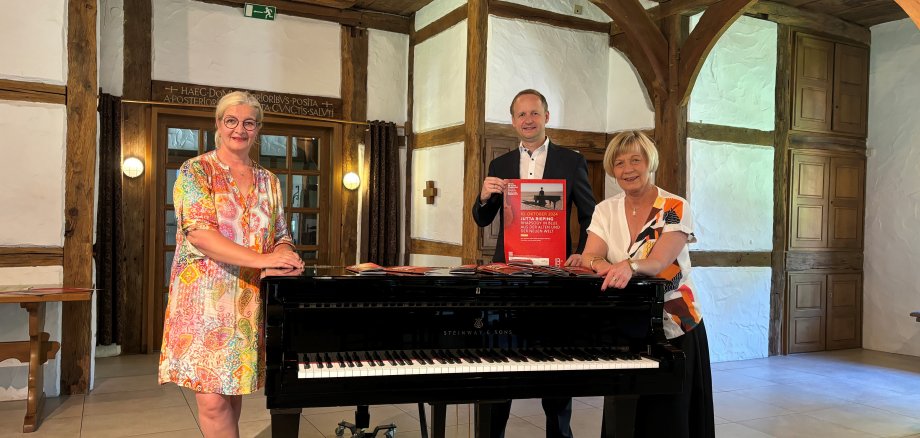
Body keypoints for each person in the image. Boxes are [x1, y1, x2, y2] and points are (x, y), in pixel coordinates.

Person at [158, 91, 305, 438]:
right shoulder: (196, 170)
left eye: (249, 123)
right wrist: (264, 259)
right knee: (211, 400)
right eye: (231, 121)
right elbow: (200, 234)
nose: (240, 129)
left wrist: (285, 255)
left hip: (248, 299)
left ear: (257, 130)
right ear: (218, 125)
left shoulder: (269, 180)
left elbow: (281, 232)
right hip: (204, 301)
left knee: (232, 389)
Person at [471, 89, 596, 438]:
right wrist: (482, 197)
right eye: (521, 114)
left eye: (534, 113)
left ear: (546, 116)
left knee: (556, 362)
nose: (528, 120)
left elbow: (590, 216)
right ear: (513, 121)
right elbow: (483, 219)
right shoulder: (500, 164)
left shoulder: (571, 161)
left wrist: (584, 254)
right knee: (497, 361)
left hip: (554, 277)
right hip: (506, 278)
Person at [581, 130, 714, 437]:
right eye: (619, 163)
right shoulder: (605, 209)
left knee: (668, 418)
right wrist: (602, 263)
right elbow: (589, 257)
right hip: (627, 324)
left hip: (676, 323)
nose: (627, 169)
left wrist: (625, 265)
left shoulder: (673, 206)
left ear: (649, 162)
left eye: (635, 160)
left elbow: (658, 263)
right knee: (623, 417)